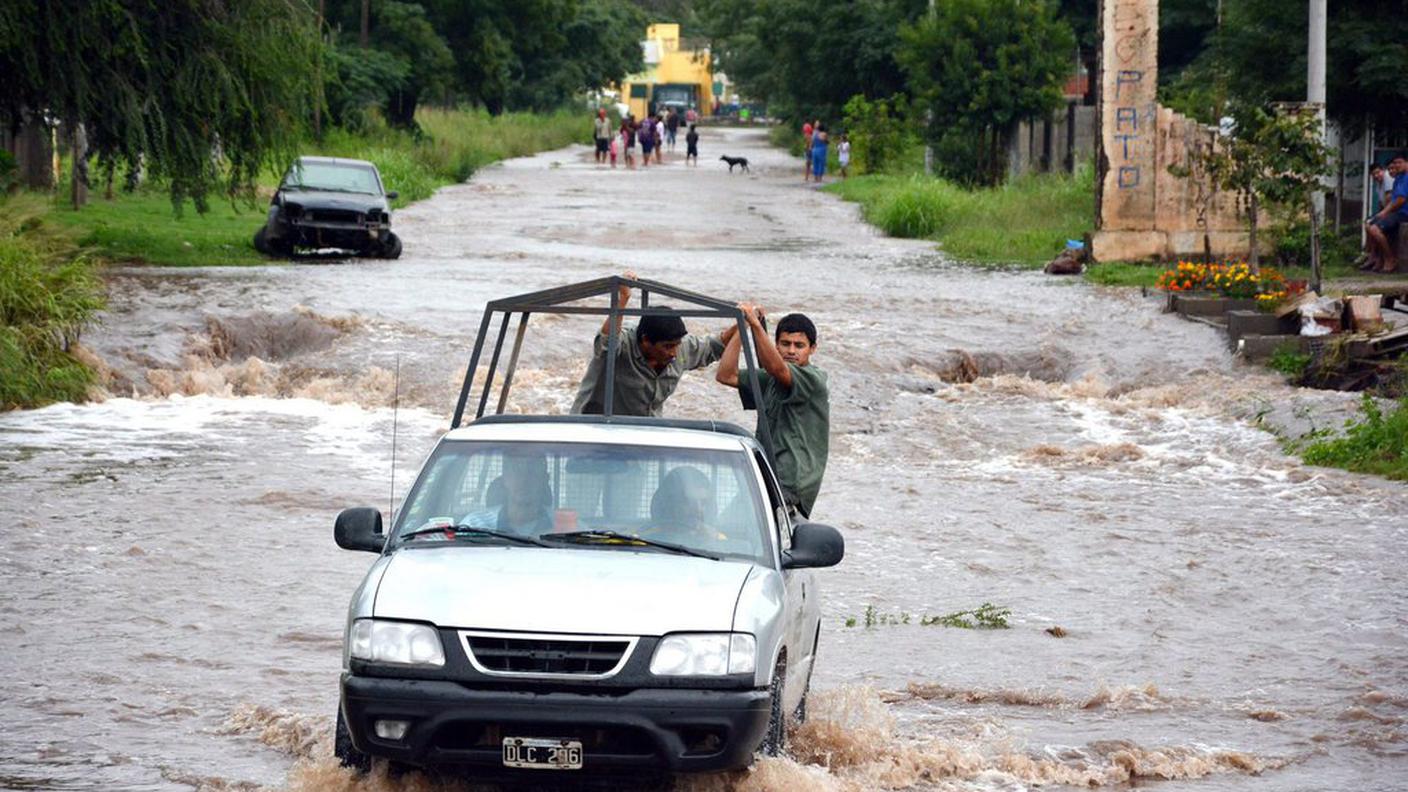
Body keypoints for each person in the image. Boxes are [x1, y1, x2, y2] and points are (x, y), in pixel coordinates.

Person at [715, 305, 829, 518]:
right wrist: (743, 328)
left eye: (799, 346)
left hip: (791, 486)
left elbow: (777, 368)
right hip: (768, 476)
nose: (792, 351)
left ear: (812, 349)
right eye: (785, 344)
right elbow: (725, 374)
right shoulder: (772, 380)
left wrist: (757, 326)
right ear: (776, 345)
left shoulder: (813, 378)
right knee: (726, 523)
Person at [572, 273, 737, 416]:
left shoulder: (681, 348)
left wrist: (743, 323)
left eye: (676, 345)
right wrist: (623, 298)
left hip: (647, 430)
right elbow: (606, 345)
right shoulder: (624, 345)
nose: (673, 352)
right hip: (596, 427)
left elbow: (716, 346)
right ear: (645, 341)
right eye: (667, 346)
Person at [1364, 155, 1407, 274]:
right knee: (1370, 225)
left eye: (1399, 163)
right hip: (1396, 212)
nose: (1397, 166)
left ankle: (1390, 258)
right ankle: (1376, 257)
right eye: (1395, 163)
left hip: (1404, 213)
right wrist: (1383, 213)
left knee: (1374, 228)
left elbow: (1400, 200)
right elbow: (1393, 199)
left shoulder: (1406, 178)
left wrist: (1385, 212)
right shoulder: (1399, 178)